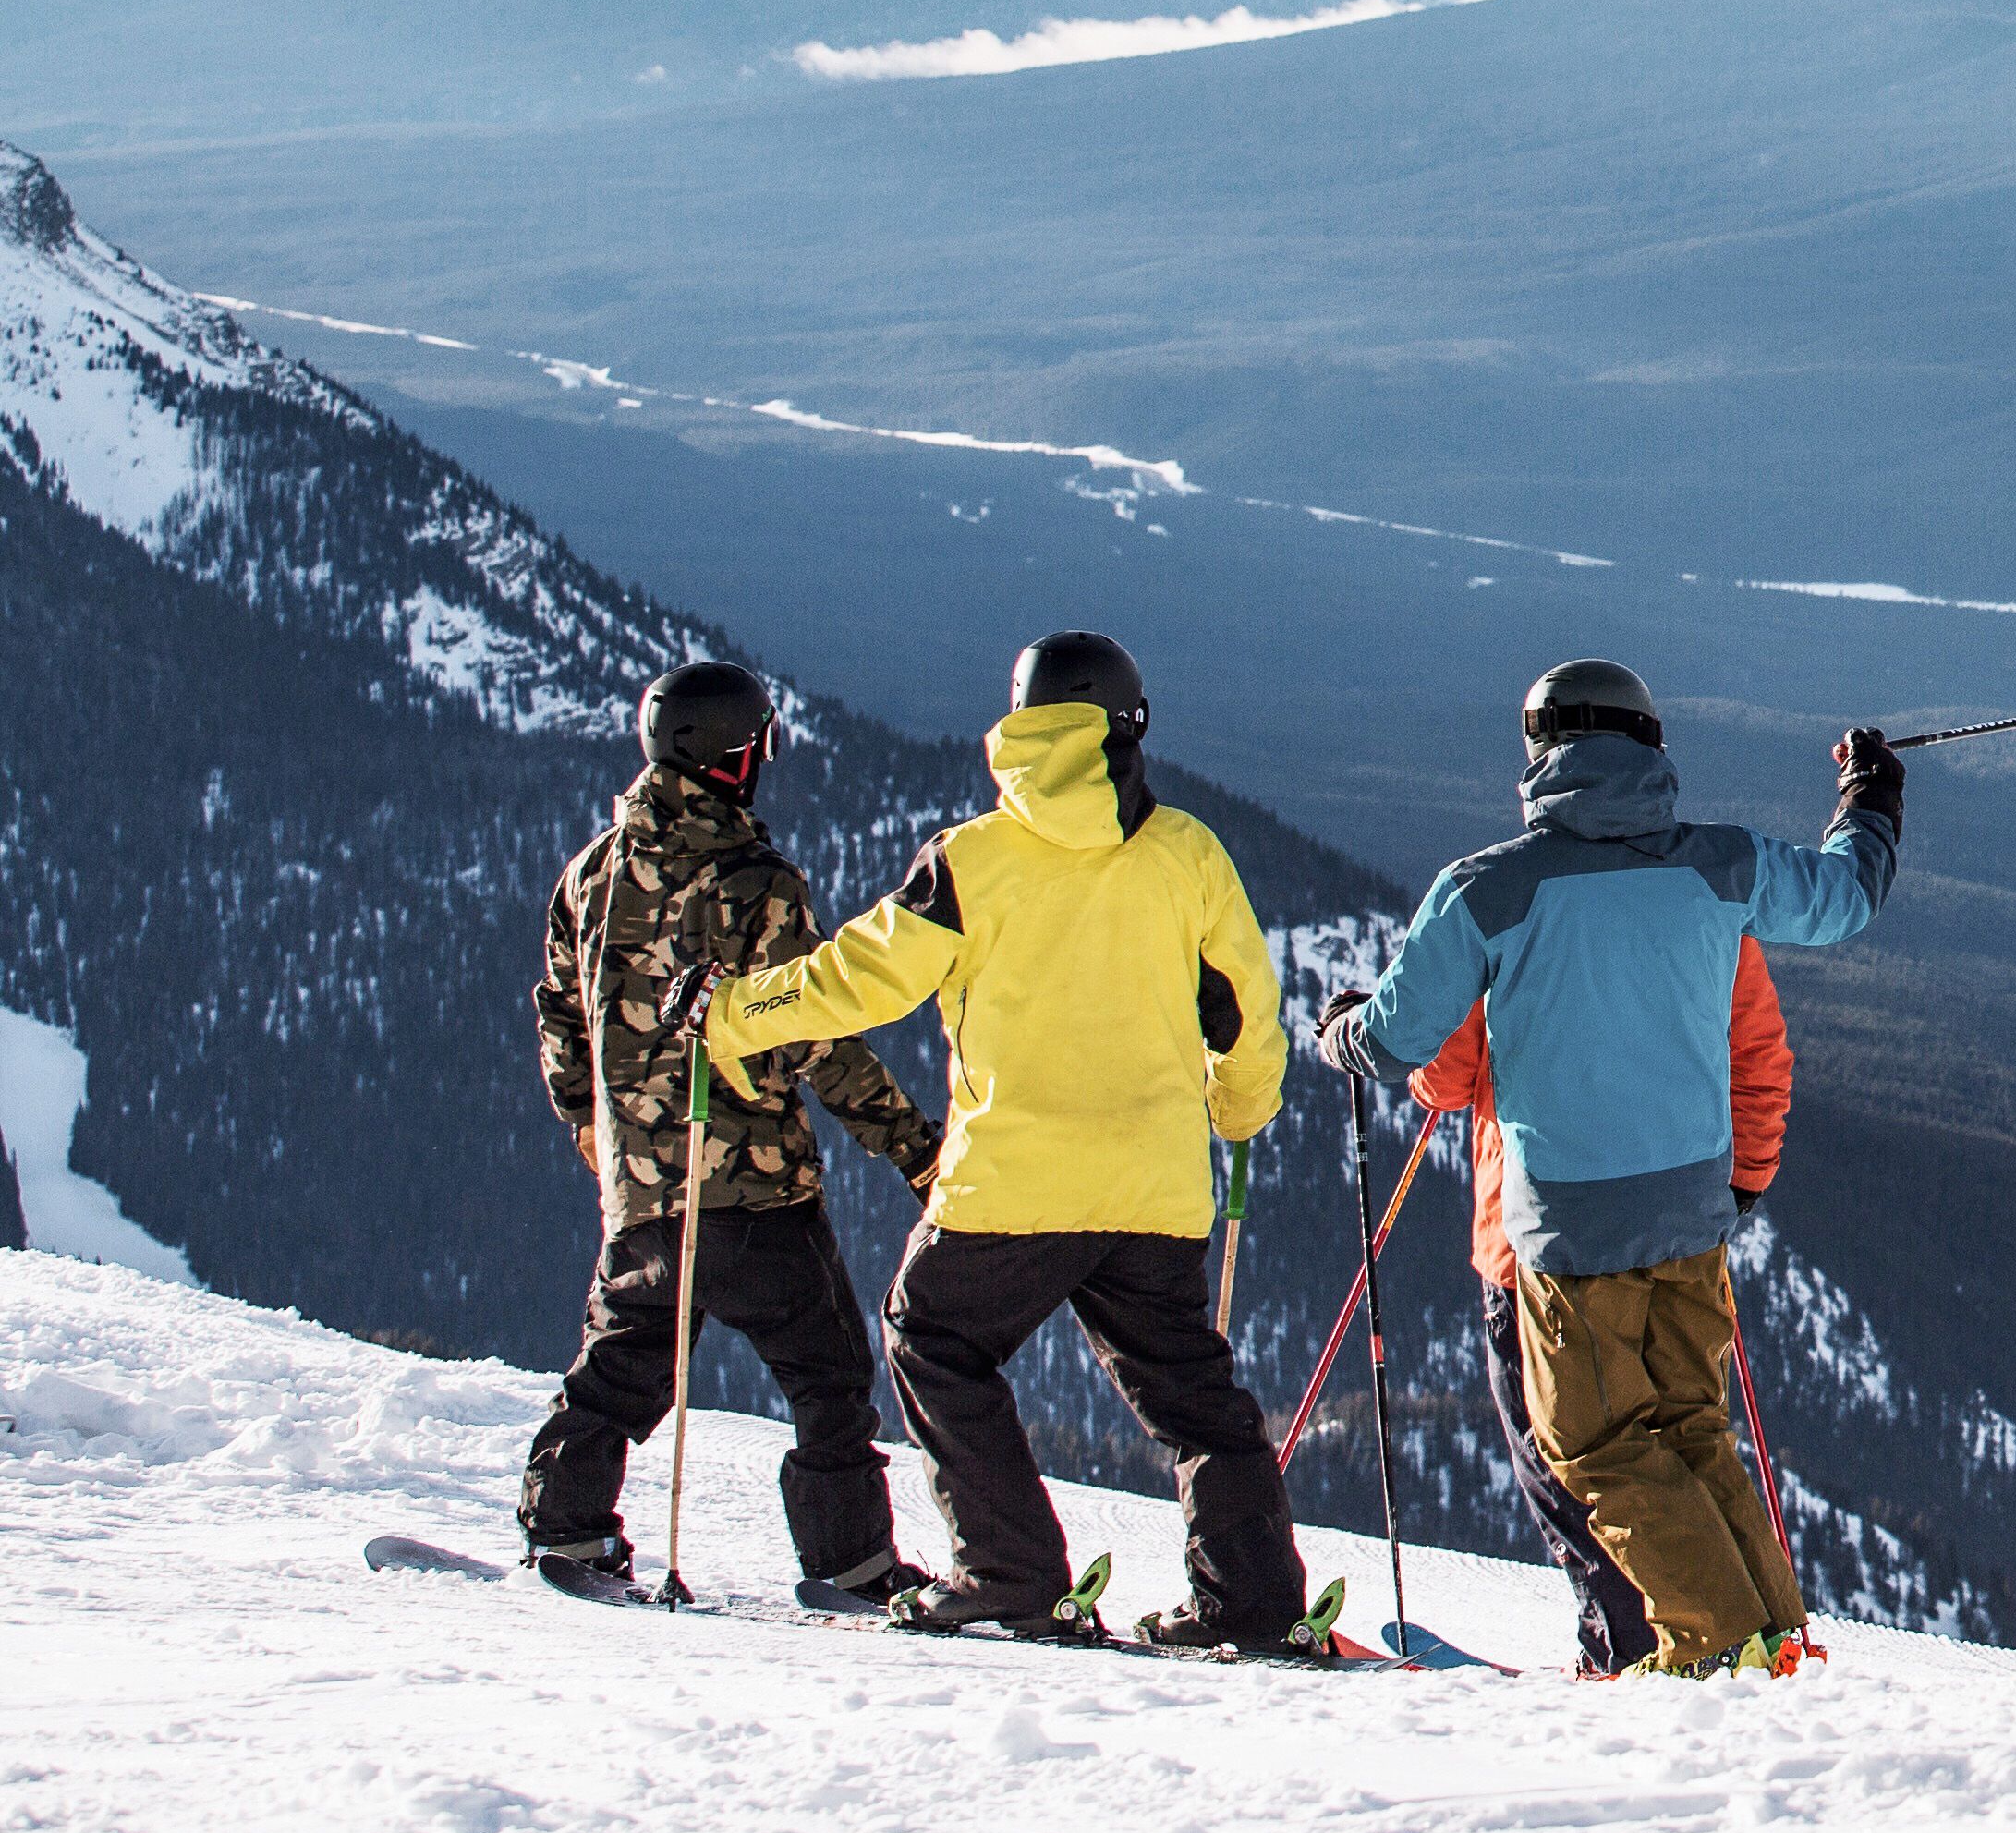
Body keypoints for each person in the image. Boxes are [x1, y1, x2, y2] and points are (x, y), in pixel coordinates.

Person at [704, 629, 1316, 1654]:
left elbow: (855, 981)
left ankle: (1010, 1571)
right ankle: (1253, 1603)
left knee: (934, 1342)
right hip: (1155, 1190)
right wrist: (1239, 1112)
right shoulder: (1188, 853)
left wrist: (731, 1013)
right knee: (1193, 1396)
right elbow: (1247, 1016)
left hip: (1012, 1188)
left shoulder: (971, 861)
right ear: (1130, 727)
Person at [1318, 656, 1900, 1677]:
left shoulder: (1488, 887)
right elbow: (1848, 895)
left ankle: (1712, 1648)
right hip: (1692, 1213)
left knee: (1594, 1445)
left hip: (1569, 1231)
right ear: (1651, 747)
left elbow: (1407, 1044)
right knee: (1690, 1430)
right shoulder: (1718, 868)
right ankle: (1770, 1643)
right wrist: (1869, 797)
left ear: (1540, 754)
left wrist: (1340, 1037)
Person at [521, 659, 941, 1602]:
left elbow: (560, 1007)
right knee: (826, 1377)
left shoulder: (590, 872)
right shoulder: (757, 883)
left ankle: (565, 1529)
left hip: (640, 1186)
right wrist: (913, 1145)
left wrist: (586, 1119)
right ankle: (850, 1562)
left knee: (623, 1365)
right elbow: (814, 1038)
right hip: (753, 1187)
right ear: (731, 759)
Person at [1406, 934, 1797, 1677]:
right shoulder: (1704, 894)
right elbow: (1758, 1056)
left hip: (1543, 1238)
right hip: (1682, 1232)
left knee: (1577, 1460)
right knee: (1688, 1434)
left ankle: (1647, 1655)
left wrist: (1376, 1029)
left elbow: (1446, 1072)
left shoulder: (1508, 896)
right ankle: (1765, 1641)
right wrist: (1740, 1183)